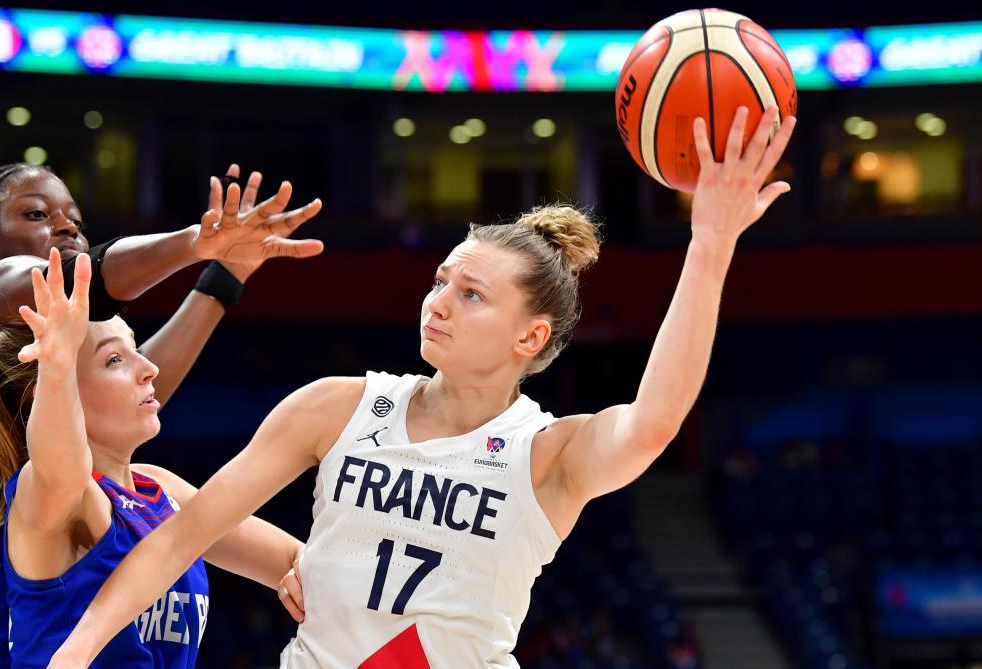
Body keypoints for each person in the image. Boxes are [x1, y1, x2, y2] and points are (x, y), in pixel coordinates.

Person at [47, 106, 796, 669]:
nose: (437, 300)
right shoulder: (334, 406)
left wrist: (710, 243)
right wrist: (74, 652)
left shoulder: (546, 453)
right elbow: (182, 533)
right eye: (439, 280)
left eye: (470, 294)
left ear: (529, 337)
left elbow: (655, 418)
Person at [0, 163, 321, 669]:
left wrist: (222, 276)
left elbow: (122, 395)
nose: (67, 224)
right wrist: (193, 243)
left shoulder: (67, 409)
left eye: (75, 217)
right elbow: (84, 285)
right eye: (36, 213)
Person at [0, 249, 301, 667]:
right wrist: (55, 370)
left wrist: (231, 270)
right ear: (59, 392)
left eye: (133, 350)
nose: (149, 368)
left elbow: (295, 559)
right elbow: (62, 471)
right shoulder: (54, 496)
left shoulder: (162, 488)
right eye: (114, 359)